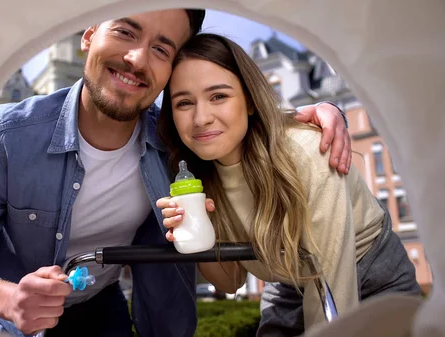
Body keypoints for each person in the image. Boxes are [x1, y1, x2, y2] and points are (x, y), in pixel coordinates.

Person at [0, 8, 352, 337]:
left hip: (108, 306)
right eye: (124, 30)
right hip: (19, 319)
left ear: (170, 70)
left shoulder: (175, 144)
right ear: (88, 35)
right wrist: (7, 298)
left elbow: (229, 121)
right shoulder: (4, 138)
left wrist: (314, 114)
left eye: (162, 49)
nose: (137, 58)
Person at [156, 33, 421, 336]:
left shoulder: (306, 152)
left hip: (368, 279)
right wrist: (192, 232)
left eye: (219, 96)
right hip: (289, 286)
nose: (201, 118)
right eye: (184, 103)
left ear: (251, 101)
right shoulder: (194, 177)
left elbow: (334, 291)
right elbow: (230, 281)